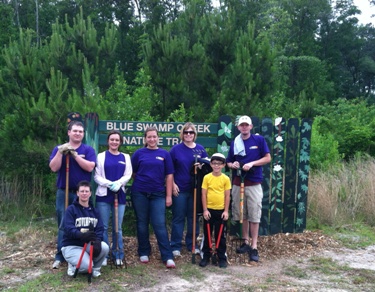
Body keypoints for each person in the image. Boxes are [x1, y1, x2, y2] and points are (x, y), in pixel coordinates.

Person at [49, 120, 96, 269]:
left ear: (83, 134)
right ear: (69, 132)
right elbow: (54, 168)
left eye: (80, 131)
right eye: (75, 131)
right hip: (64, 193)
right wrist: (60, 152)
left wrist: (75, 155)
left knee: (83, 223)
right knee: (64, 224)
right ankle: (60, 255)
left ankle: (81, 253)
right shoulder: (59, 148)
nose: (77, 133)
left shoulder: (88, 150)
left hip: (82, 195)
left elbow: (89, 167)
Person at [226, 115, 271, 262]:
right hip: (238, 183)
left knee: (254, 215)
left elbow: (267, 158)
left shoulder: (258, 140)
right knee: (241, 214)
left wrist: (252, 163)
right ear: (238, 127)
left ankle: (254, 246)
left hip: (254, 183)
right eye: (241, 125)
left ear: (251, 127)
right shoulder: (235, 142)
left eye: (247, 125)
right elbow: (228, 161)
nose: (244, 127)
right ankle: (245, 242)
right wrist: (232, 165)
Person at [131, 127, 176, 268]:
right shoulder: (138, 153)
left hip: (158, 194)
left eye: (154, 137)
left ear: (158, 138)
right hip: (140, 193)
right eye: (149, 137)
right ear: (145, 139)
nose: (152, 139)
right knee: (142, 223)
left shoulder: (164, 154)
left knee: (159, 224)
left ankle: (167, 256)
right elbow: (132, 172)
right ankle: (144, 251)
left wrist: (168, 195)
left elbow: (169, 175)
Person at [94, 130, 132, 266]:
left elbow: (128, 174)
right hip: (104, 195)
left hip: (119, 195)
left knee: (118, 227)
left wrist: (119, 183)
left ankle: (118, 254)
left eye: (117, 140)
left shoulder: (126, 157)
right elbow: (96, 176)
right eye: (112, 139)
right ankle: (104, 254)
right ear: (108, 141)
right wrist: (109, 184)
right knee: (103, 227)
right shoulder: (100, 156)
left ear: (120, 142)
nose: (114, 142)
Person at [170, 122, 208, 257]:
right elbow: (169, 170)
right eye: (186, 132)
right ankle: (175, 245)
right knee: (178, 218)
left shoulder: (200, 149)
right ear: (182, 134)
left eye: (191, 132)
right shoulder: (175, 149)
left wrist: (201, 167)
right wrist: (172, 184)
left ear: (194, 134)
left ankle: (192, 244)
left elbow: (208, 168)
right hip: (179, 189)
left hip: (195, 190)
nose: (188, 135)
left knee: (193, 218)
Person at [61, 180, 109, 277]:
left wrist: (97, 241)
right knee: (87, 266)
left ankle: (95, 268)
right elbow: (68, 228)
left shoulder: (95, 211)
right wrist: (81, 235)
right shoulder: (71, 209)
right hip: (72, 246)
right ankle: (73, 266)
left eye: (86, 191)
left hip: (87, 245)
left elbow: (100, 229)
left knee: (104, 247)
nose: (84, 193)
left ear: (90, 193)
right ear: (77, 193)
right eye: (82, 191)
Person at [199, 153, 231, 268]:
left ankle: (221, 257)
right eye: (214, 163)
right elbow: (203, 195)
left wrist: (226, 211)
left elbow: (227, 196)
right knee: (207, 234)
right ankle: (206, 256)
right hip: (209, 211)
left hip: (221, 211)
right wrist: (205, 210)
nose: (216, 166)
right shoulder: (207, 177)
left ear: (223, 165)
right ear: (211, 164)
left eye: (219, 163)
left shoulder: (226, 179)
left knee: (220, 235)